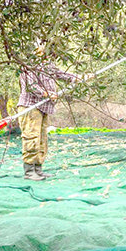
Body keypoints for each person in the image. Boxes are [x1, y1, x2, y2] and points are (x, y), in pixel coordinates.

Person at [17, 43, 88, 181]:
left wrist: (79, 77)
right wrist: (46, 93)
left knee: (42, 138)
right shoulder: (27, 65)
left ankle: (38, 169)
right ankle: (29, 171)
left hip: (43, 107)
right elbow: (31, 86)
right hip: (30, 107)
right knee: (31, 137)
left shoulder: (47, 65)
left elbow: (61, 74)